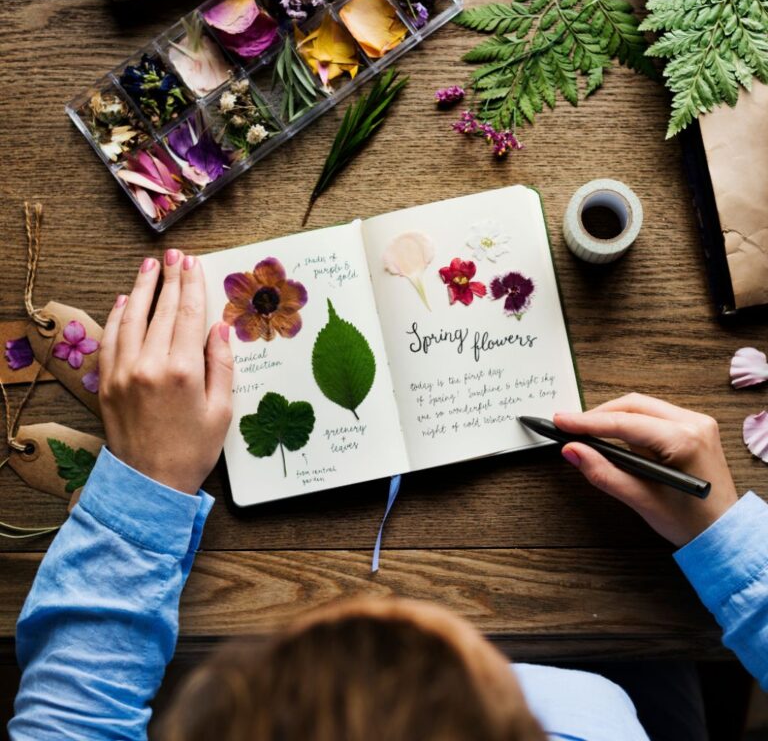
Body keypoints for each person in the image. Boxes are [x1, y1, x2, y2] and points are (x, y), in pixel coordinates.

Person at [6, 250, 767, 741]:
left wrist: (146, 484)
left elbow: (68, 722)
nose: (417, 612)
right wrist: (733, 547)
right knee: (660, 660)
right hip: (616, 699)